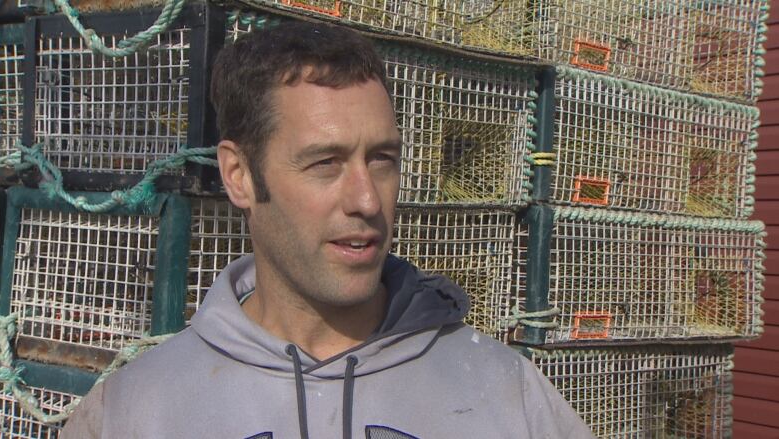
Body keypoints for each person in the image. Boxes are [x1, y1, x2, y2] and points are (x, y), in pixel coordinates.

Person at [61, 20, 593, 439]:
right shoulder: (132, 414)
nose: (366, 200)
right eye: (325, 163)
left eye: (381, 159)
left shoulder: (508, 396)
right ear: (239, 176)